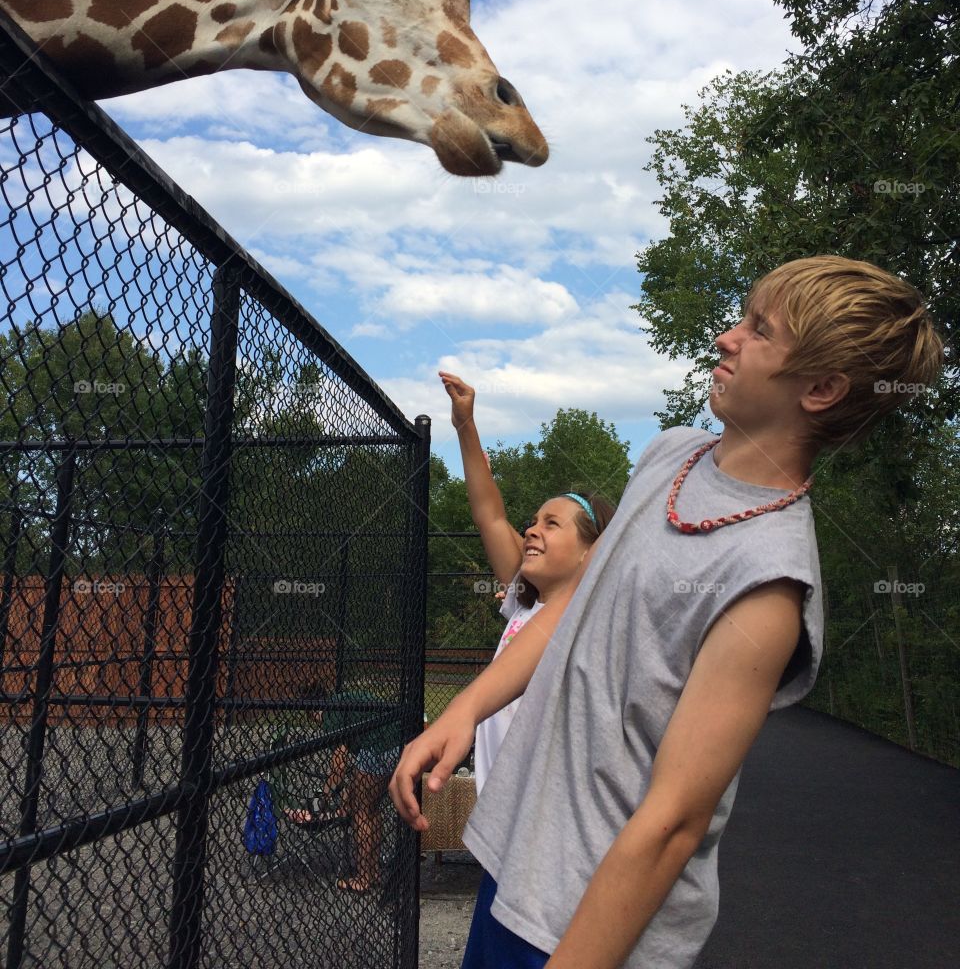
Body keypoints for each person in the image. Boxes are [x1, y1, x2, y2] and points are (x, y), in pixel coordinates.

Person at [390, 256, 945, 969]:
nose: (725, 336)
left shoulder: (769, 581)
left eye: (757, 330)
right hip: (519, 863)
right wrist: (465, 710)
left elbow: (675, 819)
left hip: (587, 925)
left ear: (822, 387)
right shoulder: (670, 455)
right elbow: (576, 611)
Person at [438, 371, 616, 793]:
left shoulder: (588, 621)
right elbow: (491, 514)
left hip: (544, 822)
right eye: (533, 521)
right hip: (497, 819)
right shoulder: (523, 602)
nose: (532, 529)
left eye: (552, 524)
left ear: (591, 552)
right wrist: (466, 427)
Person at [284, 684, 402, 894]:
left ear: (312, 712)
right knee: (372, 808)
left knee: (362, 811)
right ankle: (372, 872)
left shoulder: (330, 715)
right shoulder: (342, 701)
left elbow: (339, 767)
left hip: (378, 748)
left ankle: (363, 878)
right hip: (396, 742)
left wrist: (323, 796)